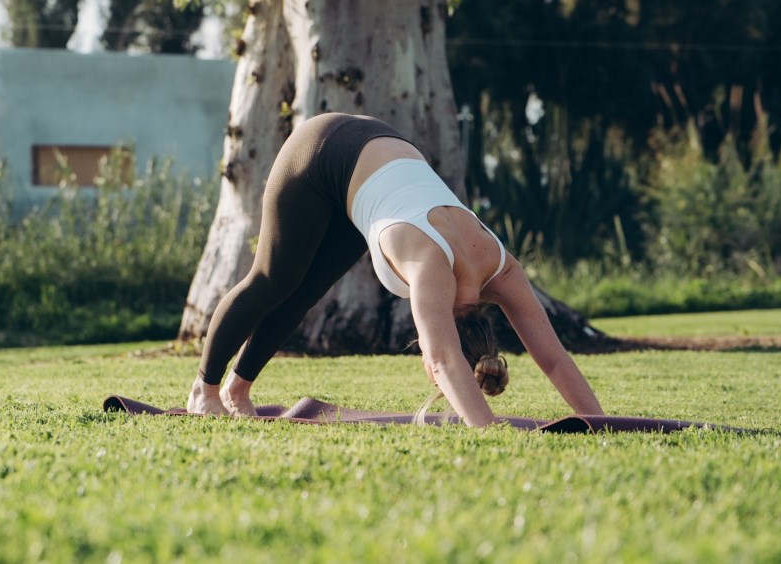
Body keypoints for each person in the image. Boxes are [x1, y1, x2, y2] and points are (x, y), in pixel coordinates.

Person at [187, 112, 604, 426]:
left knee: (305, 292)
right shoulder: (432, 268)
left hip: (374, 161)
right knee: (272, 279)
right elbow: (443, 358)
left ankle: (237, 389)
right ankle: (203, 390)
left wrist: (599, 423)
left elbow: (553, 358)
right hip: (319, 149)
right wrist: (487, 429)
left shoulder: (502, 268)